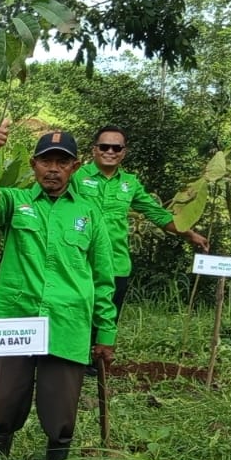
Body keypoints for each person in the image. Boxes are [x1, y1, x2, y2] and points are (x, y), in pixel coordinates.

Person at [0, 122, 117, 460]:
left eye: (62, 162)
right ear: (34, 165)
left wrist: (106, 332)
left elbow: (103, 277)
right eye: (45, 161)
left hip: (66, 322)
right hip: (15, 318)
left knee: (60, 404)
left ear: (75, 166)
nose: (53, 169)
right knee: (5, 397)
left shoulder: (89, 214)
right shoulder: (15, 202)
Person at [76, 125, 208, 353]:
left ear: (123, 152)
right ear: (94, 150)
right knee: (78, 310)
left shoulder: (130, 183)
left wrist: (189, 233)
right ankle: (73, 357)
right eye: (104, 146)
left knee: (107, 312)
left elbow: (156, 213)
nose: (110, 151)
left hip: (115, 262)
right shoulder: (76, 176)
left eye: (116, 147)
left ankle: (97, 360)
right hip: (79, 260)